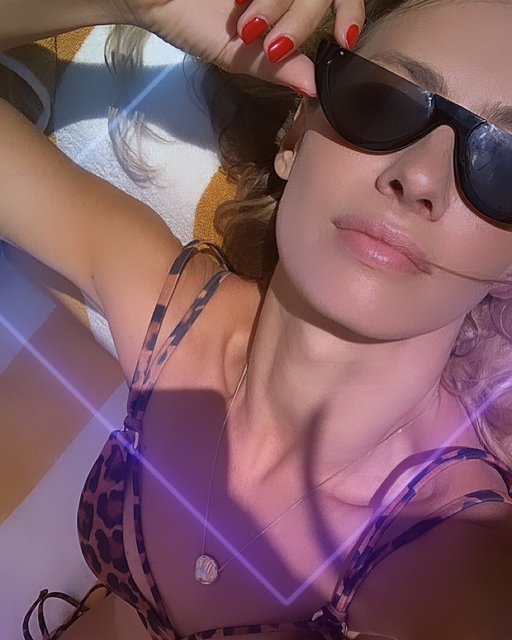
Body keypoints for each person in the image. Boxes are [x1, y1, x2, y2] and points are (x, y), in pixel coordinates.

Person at [2, 0, 512, 638]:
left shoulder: (456, 549)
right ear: (295, 137)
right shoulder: (181, 319)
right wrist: (126, 5)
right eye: (381, 101)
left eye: (503, 163)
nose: (418, 178)